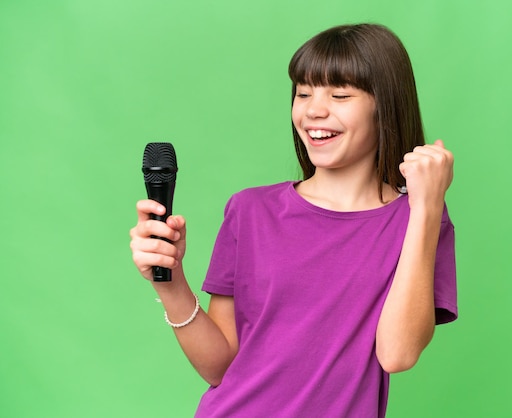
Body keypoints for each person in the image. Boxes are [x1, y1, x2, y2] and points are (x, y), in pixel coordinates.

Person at [130, 23, 457, 417]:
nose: (313, 111)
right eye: (303, 93)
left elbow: (398, 354)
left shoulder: (417, 220)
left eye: (339, 94)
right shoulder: (250, 211)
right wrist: (171, 280)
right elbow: (219, 367)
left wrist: (425, 206)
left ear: (384, 105)